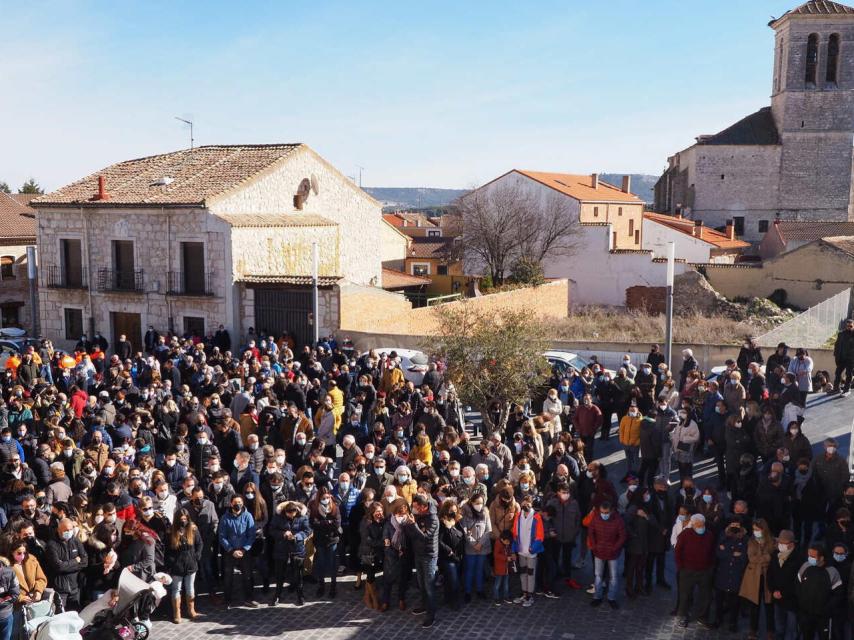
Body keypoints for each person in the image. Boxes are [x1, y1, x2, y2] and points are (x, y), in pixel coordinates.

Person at [404, 494, 439, 628]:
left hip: (429, 555)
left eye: (417, 507)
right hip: (418, 554)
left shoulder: (433, 519)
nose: (414, 509)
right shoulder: (417, 516)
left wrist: (413, 525)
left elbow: (424, 537)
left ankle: (431, 614)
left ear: (424, 507)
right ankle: (424, 605)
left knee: (429, 585)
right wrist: (409, 525)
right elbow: (412, 535)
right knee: (421, 583)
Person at [674, 513, 715, 628]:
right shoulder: (685, 534)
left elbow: (712, 551)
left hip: (704, 571)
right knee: (685, 595)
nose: (700, 527)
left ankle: (702, 617)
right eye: (698, 525)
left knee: (706, 596)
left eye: (702, 525)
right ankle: (682, 616)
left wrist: (710, 566)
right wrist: (680, 566)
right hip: (687, 571)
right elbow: (678, 551)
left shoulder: (709, 535)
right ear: (693, 524)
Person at [218, 494, 258, 609]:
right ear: (231, 504)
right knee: (228, 577)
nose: (238, 504)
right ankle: (227, 600)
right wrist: (231, 550)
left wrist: (244, 549)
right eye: (235, 502)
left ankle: (249, 599)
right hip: (230, 551)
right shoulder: (225, 518)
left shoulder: (248, 516)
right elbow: (222, 536)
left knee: (248, 576)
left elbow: (251, 535)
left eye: (240, 502)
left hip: (245, 551)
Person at [796, 544, 844, 640]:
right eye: (809, 555)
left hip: (823, 617)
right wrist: (802, 607)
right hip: (806, 615)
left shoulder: (832, 572)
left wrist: (826, 609)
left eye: (813, 556)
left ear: (821, 557)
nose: (810, 558)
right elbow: (797, 587)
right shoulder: (805, 567)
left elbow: (838, 594)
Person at [269, 501, 311, 607]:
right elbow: (272, 530)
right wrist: (283, 533)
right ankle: (277, 595)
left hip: (297, 549)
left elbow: (307, 531)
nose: (291, 516)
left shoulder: (303, 517)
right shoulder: (278, 517)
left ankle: (300, 595)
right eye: (289, 514)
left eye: (293, 514)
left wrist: (297, 536)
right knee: (280, 575)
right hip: (281, 549)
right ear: (285, 512)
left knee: (298, 575)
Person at [739, 518, 775, 640]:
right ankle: (753, 630)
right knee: (755, 605)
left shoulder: (772, 541)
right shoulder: (752, 541)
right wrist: (767, 558)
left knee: (769, 606)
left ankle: (770, 631)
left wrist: (765, 558)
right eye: (754, 529)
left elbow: (773, 557)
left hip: (767, 577)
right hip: (754, 577)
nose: (755, 532)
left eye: (757, 529)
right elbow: (752, 558)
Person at [711, 518, 748, 632]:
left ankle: (733, 623)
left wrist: (726, 551)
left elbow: (744, 557)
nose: (735, 526)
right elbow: (718, 553)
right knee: (719, 600)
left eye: (737, 524)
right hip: (723, 572)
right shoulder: (723, 535)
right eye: (733, 524)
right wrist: (733, 554)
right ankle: (718, 619)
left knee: (735, 602)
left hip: (736, 574)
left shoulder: (745, 538)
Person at [166, 508, 203, 623]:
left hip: (191, 564)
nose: (183, 521)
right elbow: (168, 550)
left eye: (185, 519)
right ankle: (177, 613)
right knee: (176, 589)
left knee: (190, 588)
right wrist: (172, 563)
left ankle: (191, 610)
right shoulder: (171, 531)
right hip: (177, 565)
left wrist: (196, 556)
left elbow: (199, 543)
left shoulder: (193, 529)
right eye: (181, 519)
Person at [588, 500, 626, 609]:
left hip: (612, 552)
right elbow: (591, 532)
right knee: (598, 576)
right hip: (599, 551)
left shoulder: (618, 520)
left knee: (613, 577)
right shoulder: (596, 518)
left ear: (611, 511)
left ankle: (611, 598)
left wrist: (614, 548)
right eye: (602, 512)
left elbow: (622, 536)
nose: (604, 514)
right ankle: (597, 596)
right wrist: (594, 546)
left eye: (606, 512)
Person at [45, 518, 86, 610]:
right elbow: (58, 567)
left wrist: (65, 565)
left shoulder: (76, 541)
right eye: (66, 530)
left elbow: (84, 561)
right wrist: (75, 561)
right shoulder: (52, 545)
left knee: (75, 614)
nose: (69, 532)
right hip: (60, 590)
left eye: (71, 529)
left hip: (75, 587)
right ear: (59, 530)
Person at [767, 530, 802, 640]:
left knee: (792, 630)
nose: (780, 545)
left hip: (792, 601)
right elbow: (770, 574)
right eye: (779, 542)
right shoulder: (775, 555)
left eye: (783, 543)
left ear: (792, 544)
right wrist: (773, 590)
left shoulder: (798, 558)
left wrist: (783, 593)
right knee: (779, 628)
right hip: (778, 598)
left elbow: (798, 582)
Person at [511, 494, 544, 608]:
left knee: (531, 573)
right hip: (521, 550)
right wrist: (514, 548)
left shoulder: (536, 517)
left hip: (531, 552)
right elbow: (515, 532)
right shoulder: (518, 516)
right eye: (524, 503)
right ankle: (524, 592)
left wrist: (533, 548)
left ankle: (530, 594)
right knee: (523, 572)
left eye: (527, 504)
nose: (525, 506)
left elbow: (540, 536)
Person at [309, 486, 342, 599]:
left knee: (332, 563)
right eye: (323, 498)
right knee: (321, 563)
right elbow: (313, 523)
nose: (326, 499)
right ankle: (321, 584)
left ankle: (333, 585)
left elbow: (336, 523)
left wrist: (323, 523)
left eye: (327, 497)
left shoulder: (335, 507)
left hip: (332, 539)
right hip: (320, 540)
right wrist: (327, 522)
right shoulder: (314, 507)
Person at [358, 501, 385, 610]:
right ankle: (374, 598)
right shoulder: (366, 522)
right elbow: (367, 539)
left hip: (378, 553)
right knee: (370, 577)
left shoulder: (382, 521)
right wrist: (381, 543)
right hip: (367, 553)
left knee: (372, 575)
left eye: (380, 511)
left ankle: (366, 596)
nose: (379, 513)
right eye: (377, 511)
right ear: (372, 512)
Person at [831, 318, 854, 396]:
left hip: (851, 359)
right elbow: (837, 345)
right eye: (848, 326)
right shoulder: (841, 334)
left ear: (853, 326)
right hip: (842, 358)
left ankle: (846, 390)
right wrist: (836, 356)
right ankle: (836, 388)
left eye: (851, 326)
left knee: (849, 374)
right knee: (837, 373)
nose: (849, 327)